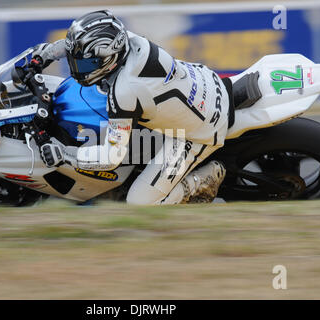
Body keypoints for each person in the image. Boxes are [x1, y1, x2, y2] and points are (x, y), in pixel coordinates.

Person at [32, 10, 230, 204]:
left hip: (198, 131)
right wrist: (46, 54)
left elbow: (112, 156)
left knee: (141, 202)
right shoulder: (127, 40)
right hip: (207, 81)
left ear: (108, 61)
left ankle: (199, 183)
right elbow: (75, 46)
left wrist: (64, 155)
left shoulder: (125, 91)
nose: (78, 70)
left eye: (86, 64)